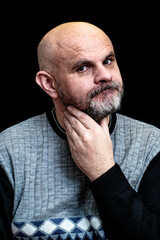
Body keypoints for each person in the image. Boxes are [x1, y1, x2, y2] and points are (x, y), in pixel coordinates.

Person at [0, 22, 159, 240]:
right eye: (82, 67)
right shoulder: (7, 150)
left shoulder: (151, 144)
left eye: (108, 61)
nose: (105, 75)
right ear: (49, 84)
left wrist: (104, 172)